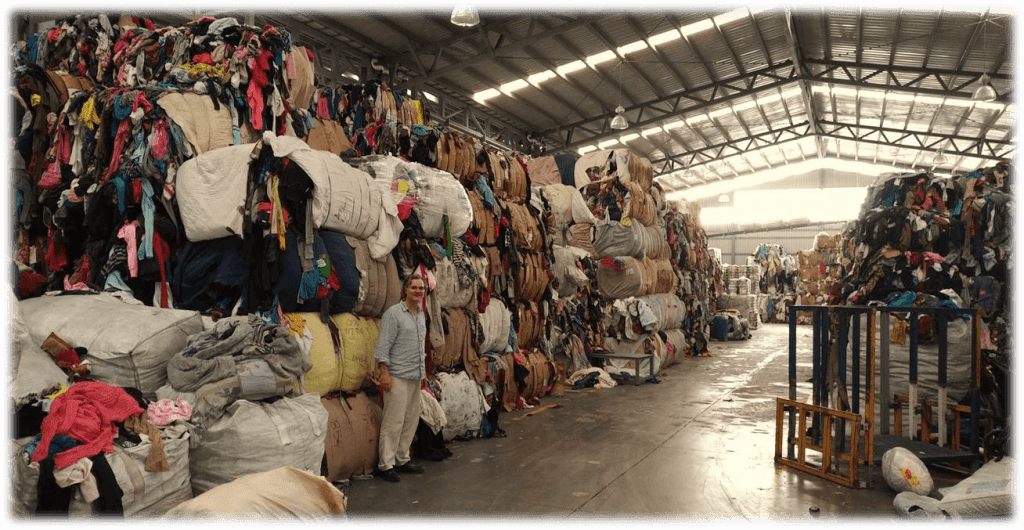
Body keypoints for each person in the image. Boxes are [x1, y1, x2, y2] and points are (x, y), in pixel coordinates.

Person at [372, 274, 428, 482]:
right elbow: (383, 346)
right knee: (393, 420)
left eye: (421, 289)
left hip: (415, 375)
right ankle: (385, 464)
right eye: (414, 288)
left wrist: (423, 374)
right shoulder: (393, 314)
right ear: (405, 290)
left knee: (411, 419)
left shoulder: (421, 314)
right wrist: (384, 372)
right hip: (397, 375)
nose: (418, 292)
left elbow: (421, 346)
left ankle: (402, 458)